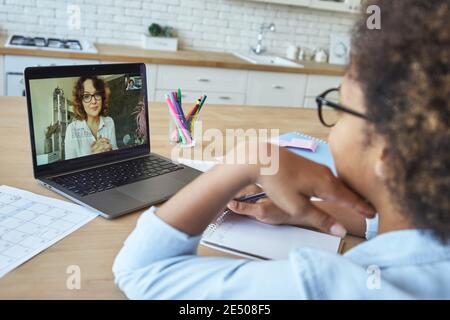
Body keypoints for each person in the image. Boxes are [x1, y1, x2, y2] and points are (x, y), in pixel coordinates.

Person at [113, 0, 450, 299]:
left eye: (341, 109)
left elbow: (140, 272)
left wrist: (248, 159)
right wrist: (306, 211)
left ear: (389, 158)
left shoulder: (325, 284)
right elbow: (409, 229)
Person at [65, 76, 117, 160]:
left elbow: (115, 156)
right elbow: (69, 169)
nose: (93, 101)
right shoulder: (71, 129)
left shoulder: (109, 122)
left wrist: (110, 150)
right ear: (80, 102)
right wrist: (93, 157)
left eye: (97, 94)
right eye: (86, 96)